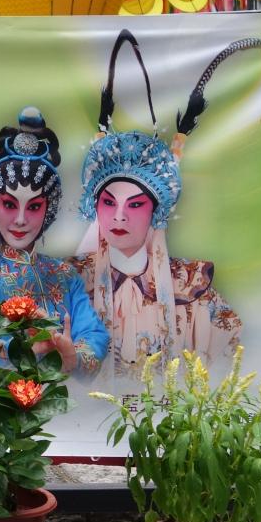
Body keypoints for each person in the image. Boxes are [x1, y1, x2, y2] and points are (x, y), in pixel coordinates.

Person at [72, 31, 242, 377]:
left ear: (156, 211)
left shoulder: (192, 291)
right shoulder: (69, 282)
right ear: (95, 206)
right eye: (109, 202)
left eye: (135, 205)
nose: (119, 216)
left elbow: (230, 362)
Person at [0, 108, 108, 376]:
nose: (20, 220)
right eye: (10, 205)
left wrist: (73, 356)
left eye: (33, 207)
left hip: (62, 397)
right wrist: (12, 350)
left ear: (48, 212)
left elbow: (94, 335)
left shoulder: (65, 276)